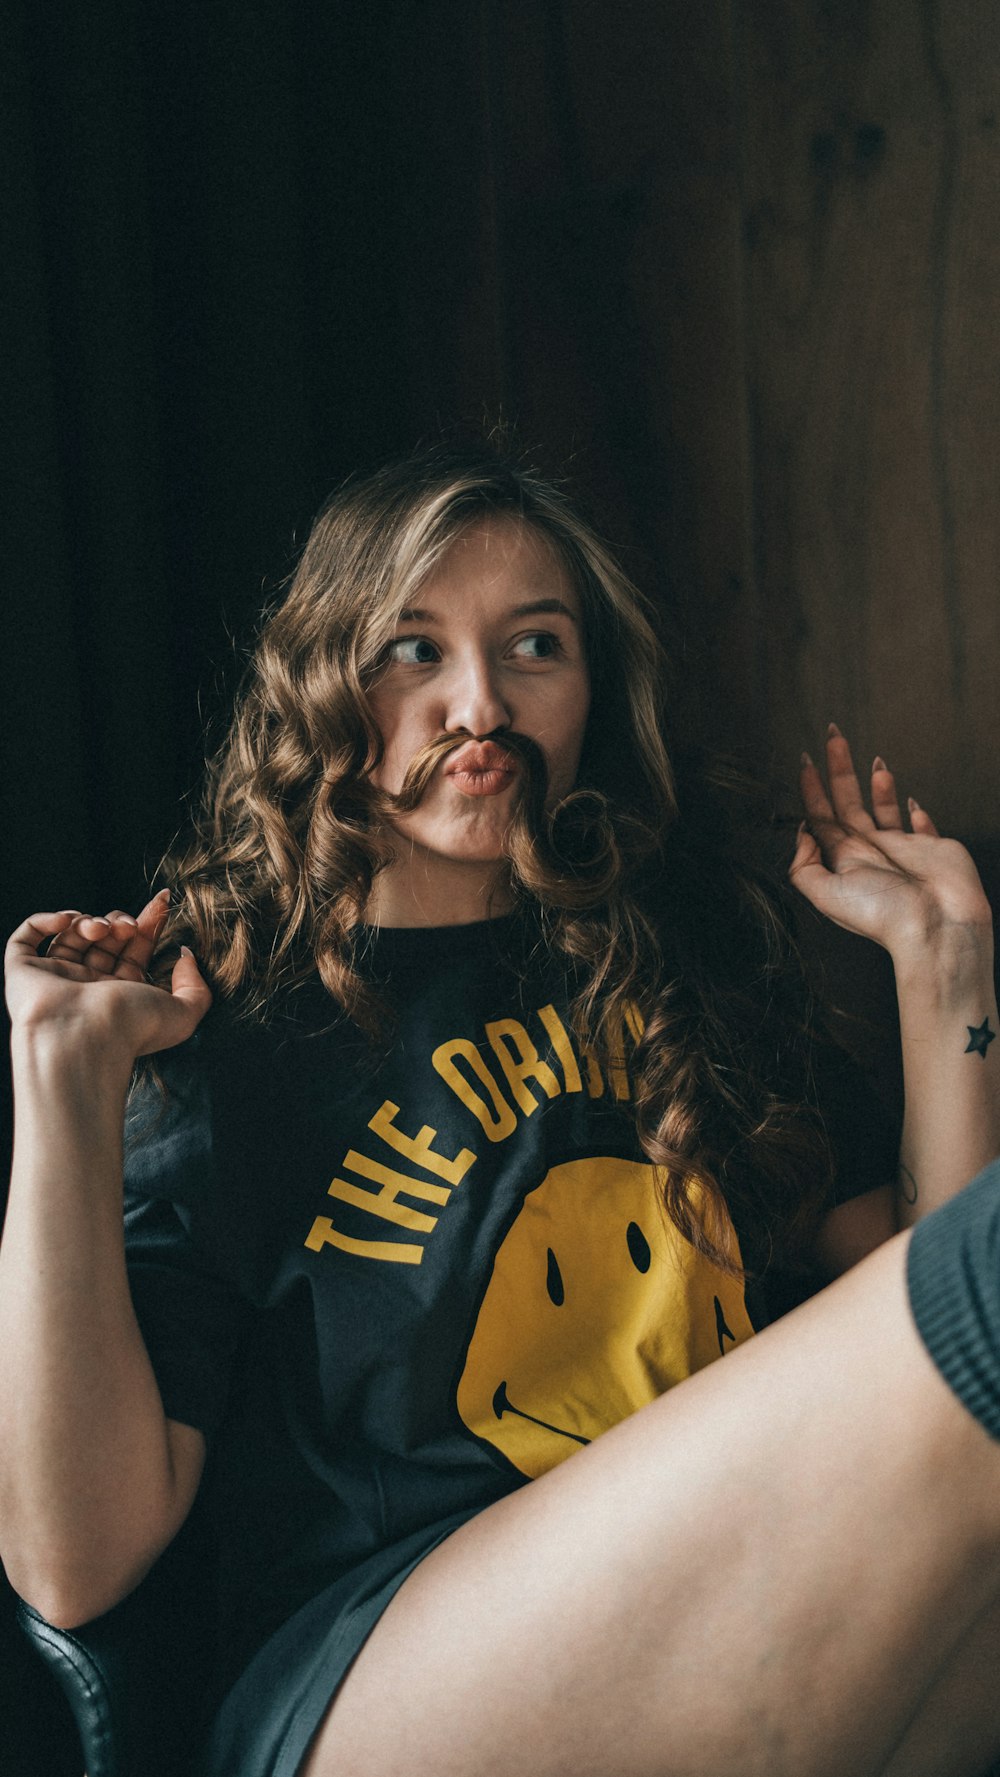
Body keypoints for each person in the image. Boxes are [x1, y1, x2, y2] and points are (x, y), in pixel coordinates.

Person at [3, 440, 1000, 1777]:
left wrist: (948, 974)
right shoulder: (234, 1026)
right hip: (382, 1676)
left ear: (593, 687)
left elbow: (921, 1358)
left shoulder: (688, 953)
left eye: (535, 644)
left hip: (717, 1602)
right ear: (324, 685)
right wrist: (64, 1088)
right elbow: (77, 1566)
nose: (480, 702)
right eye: (413, 649)